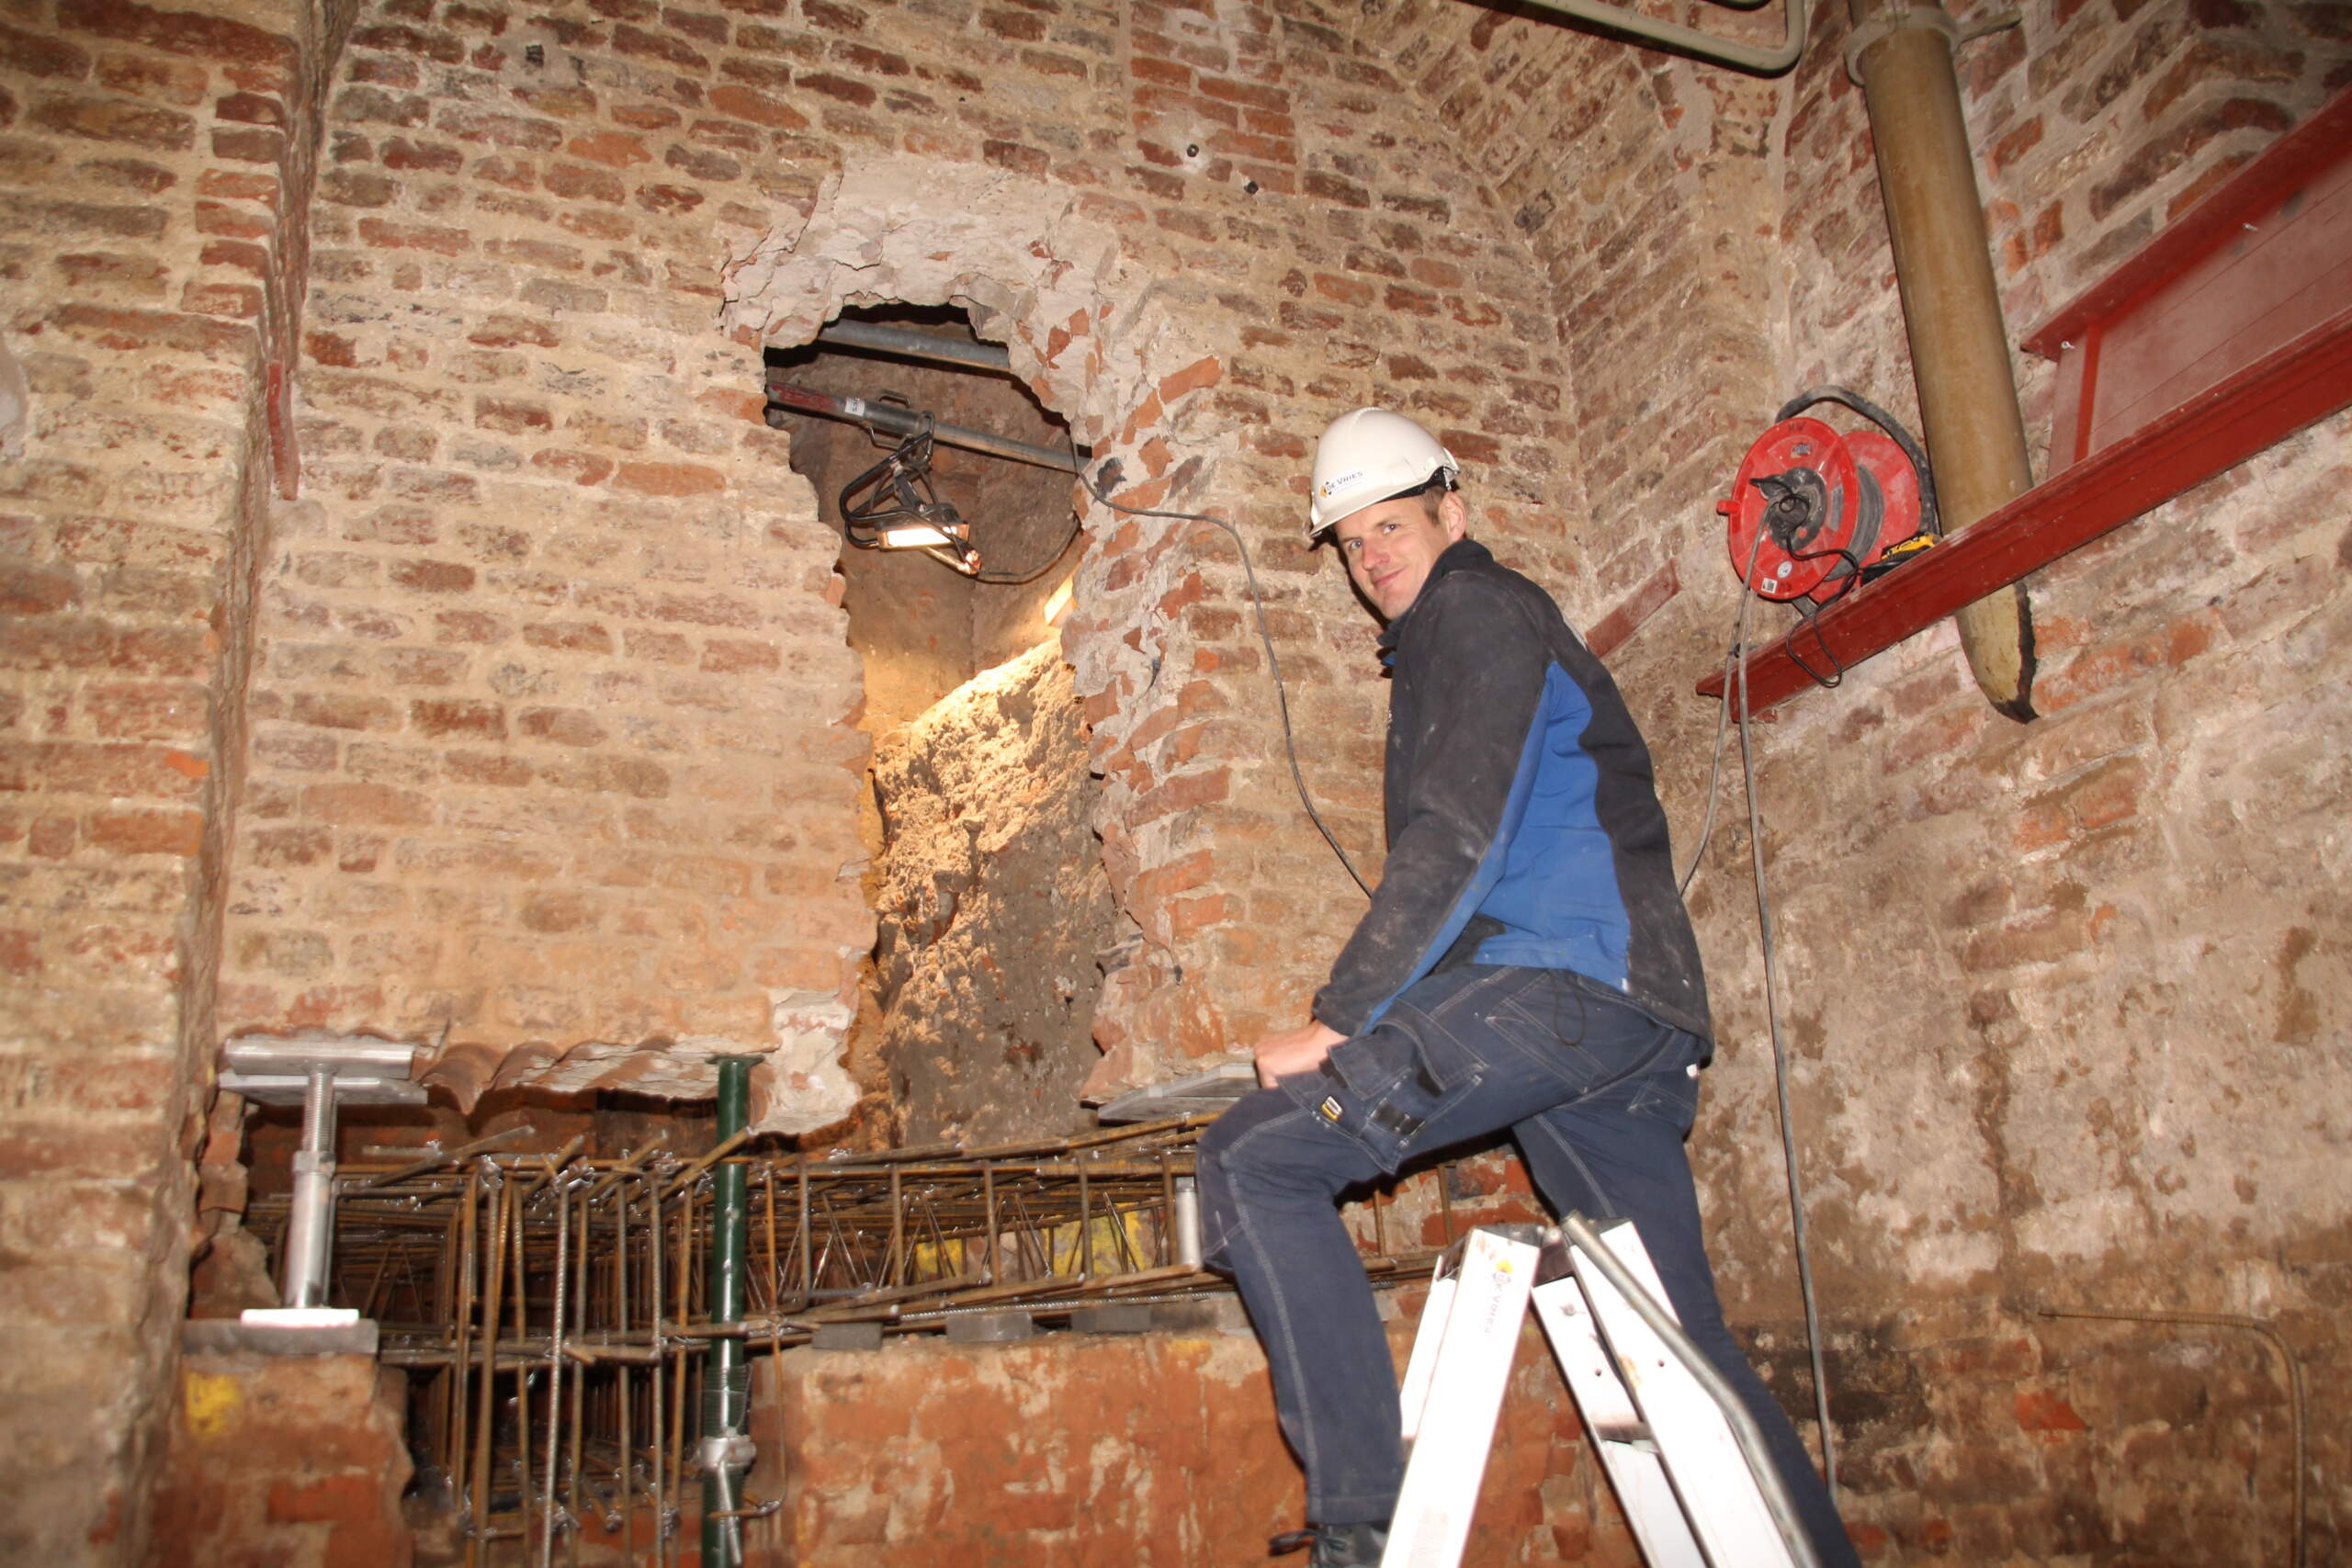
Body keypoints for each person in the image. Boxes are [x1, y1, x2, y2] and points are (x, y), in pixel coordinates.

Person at [1196, 409, 1860, 1568]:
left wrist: (1342, 1019)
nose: (1374, 559)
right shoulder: (1470, 633)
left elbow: (1458, 836)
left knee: (1254, 1159)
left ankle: (1363, 1524)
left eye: (1392, 526)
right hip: (1624, 1019)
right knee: (1676, 1336)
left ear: (1452, 514)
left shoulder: (1478, 612)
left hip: (1560, 985)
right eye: (1352, 544)